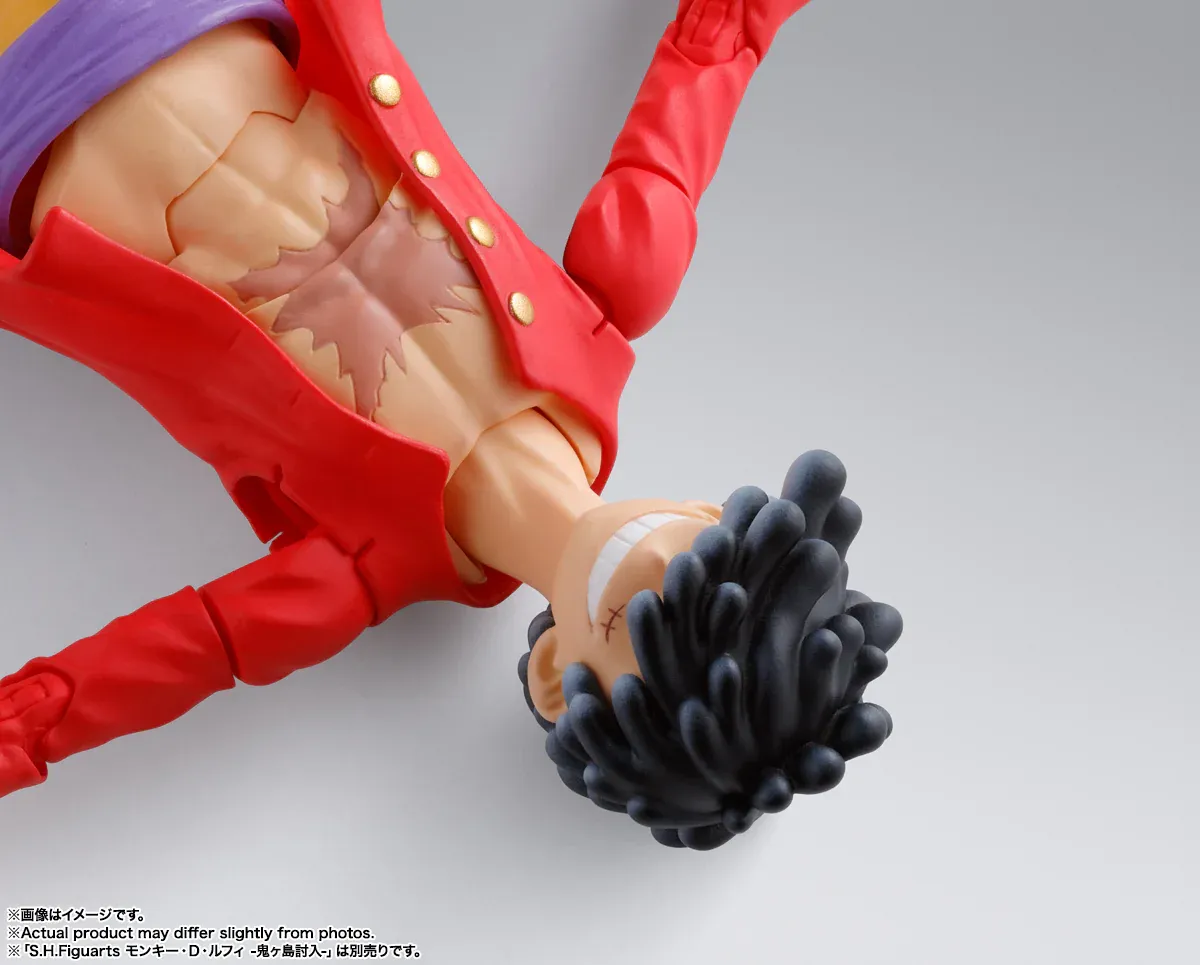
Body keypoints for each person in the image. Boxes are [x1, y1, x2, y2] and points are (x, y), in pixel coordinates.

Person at [0, 0, 901, 848]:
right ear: (710, 515)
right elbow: (714, 52)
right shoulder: (608, 300)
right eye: (711, 570)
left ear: (558, 679)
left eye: (659, 630)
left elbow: (120, 678)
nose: (662, 572)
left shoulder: (348, 571)